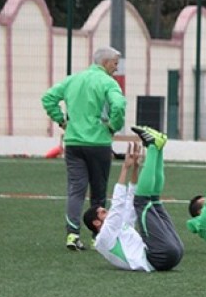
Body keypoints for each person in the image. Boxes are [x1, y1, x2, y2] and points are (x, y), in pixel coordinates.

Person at [41, 46, 127, 250]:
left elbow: (48, 98)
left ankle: (72, 235)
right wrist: (113, 126)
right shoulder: (108, 82)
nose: (116, 68)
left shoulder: (73, 79)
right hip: (98, 143)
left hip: (73, 143)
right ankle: (97, 236)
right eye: (115, 63)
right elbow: (119, 105)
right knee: (98, 192)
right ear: (105, 63)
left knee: (75, 190)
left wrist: (61, 120)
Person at [82, 126, 184, 272]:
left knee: (153, 200)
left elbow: (129, 202)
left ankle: (158, 147)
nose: (108, 211)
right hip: (158, 257)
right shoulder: (104, 238)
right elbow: (118, 204)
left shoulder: (118, 229)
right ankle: (153, 147)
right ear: (96, 222)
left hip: (173, 253)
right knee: (141, 201)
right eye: (103, 212)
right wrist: (125, 168)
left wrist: (135, 167)